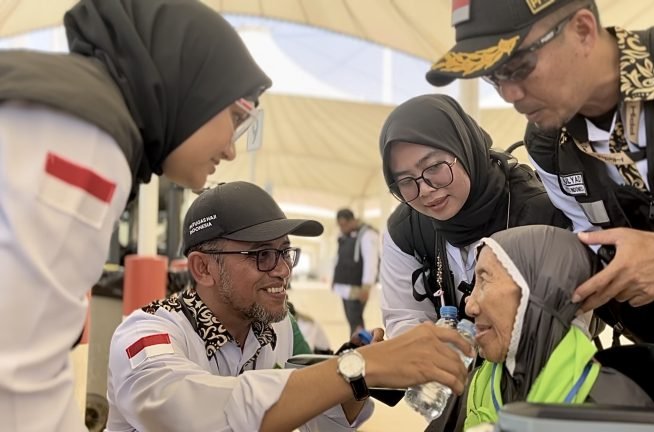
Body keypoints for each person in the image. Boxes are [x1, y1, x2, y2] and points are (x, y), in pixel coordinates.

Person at [0, 1, 274, 430]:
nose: (231, 148)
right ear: (193, 83)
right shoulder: (90, 135)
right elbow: (17, 372)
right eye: (237, 117)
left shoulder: (59, 100)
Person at [425, 0, 654, 344]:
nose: (509, 94)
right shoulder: (548, 146)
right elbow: (593, 247)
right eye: (493, 77)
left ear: (583, 30)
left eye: (518, 66)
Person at [106, 181, 474, 432]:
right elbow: (202, 415)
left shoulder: (275, 327)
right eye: (262, 255)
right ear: (203, 268)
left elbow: (321, 423)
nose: (282, 270)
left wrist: (358, 377)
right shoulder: (146, 335)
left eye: (284, 252)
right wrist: (358, 367)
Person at [378, 94, 571, 337]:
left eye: (435, 167)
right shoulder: (405, 231)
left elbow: (569, 319)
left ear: (464, 148)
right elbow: (405, 318)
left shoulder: (540, 213)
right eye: (405, 180)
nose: (425, 189)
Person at [429, 225, 654, 431]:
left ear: (537, 291)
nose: (469, 305)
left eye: (484, 280)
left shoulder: (612, 407)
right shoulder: (476, 385)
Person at [332, 208, 379, 336]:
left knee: (355, 321)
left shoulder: (367, 234)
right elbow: (338, 259)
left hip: (358, 288)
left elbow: (371, 261)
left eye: (344, 224)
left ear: (353, 221)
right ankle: (357, 347)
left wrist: (367, 286)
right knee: (353, 321)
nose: (342, 228)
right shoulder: (344, 236)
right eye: (340, 225)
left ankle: (359, 349)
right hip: (344, 286)